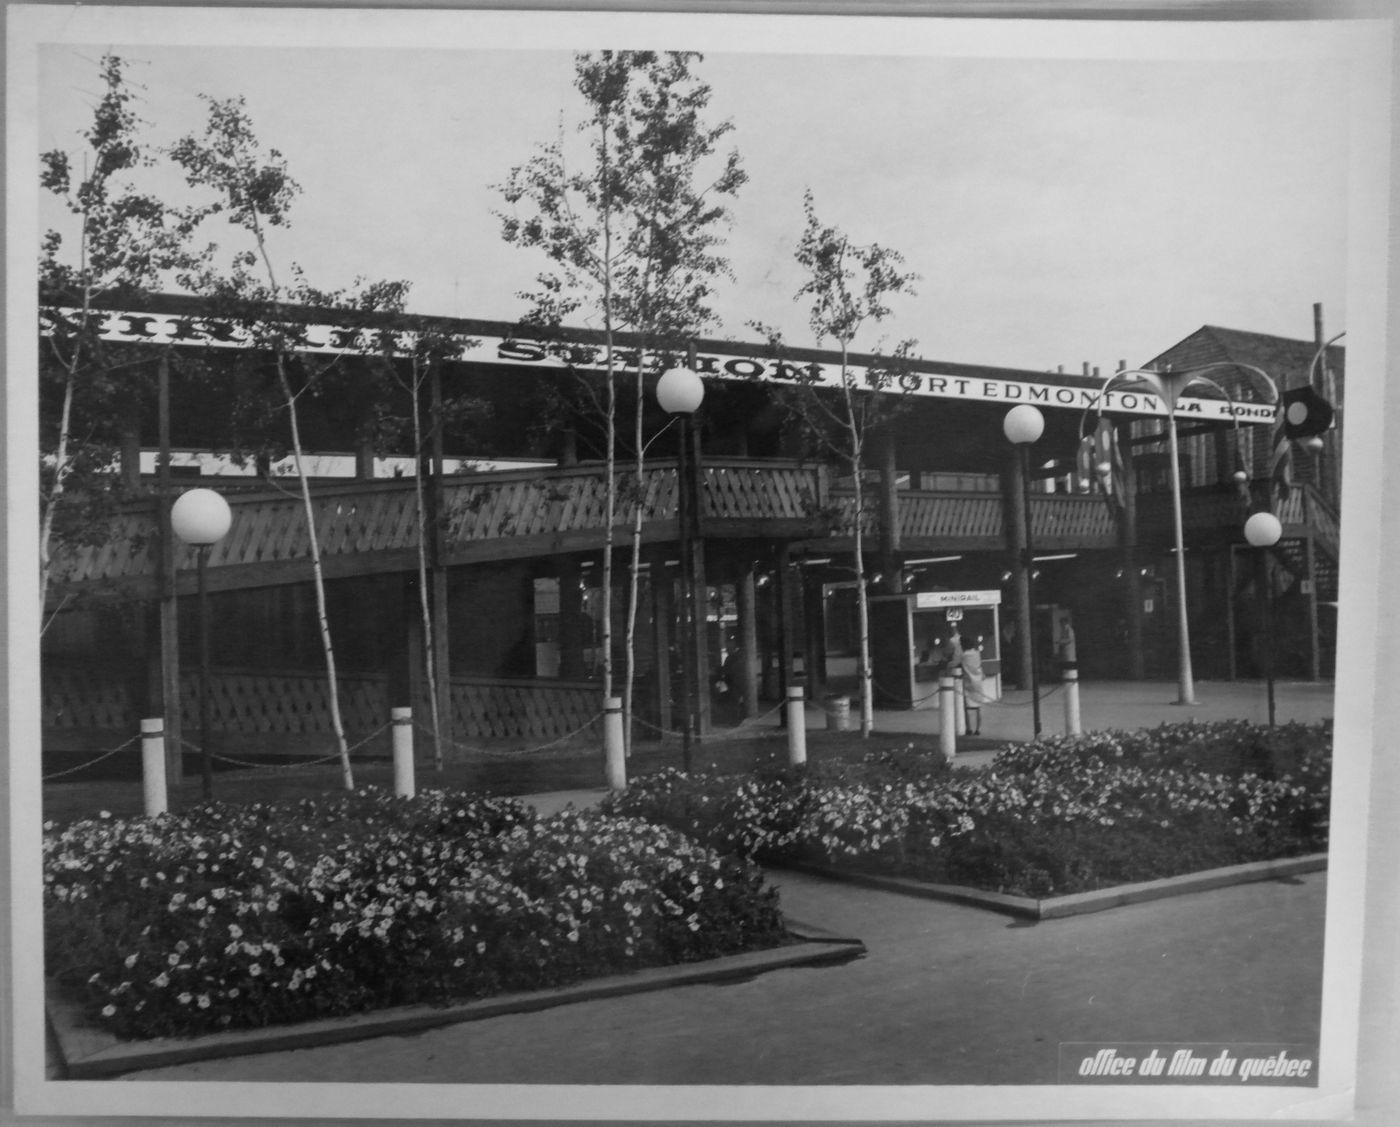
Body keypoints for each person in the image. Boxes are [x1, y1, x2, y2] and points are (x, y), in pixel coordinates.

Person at [960, 635, 985, 735]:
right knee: (978, 707)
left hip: (968, 682)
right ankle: (978, 729)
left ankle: (968, 728)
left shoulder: (964, 655)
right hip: (978, 681)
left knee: (967, 707)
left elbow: (959, 665)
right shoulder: (977, 653)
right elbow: (979, 665)